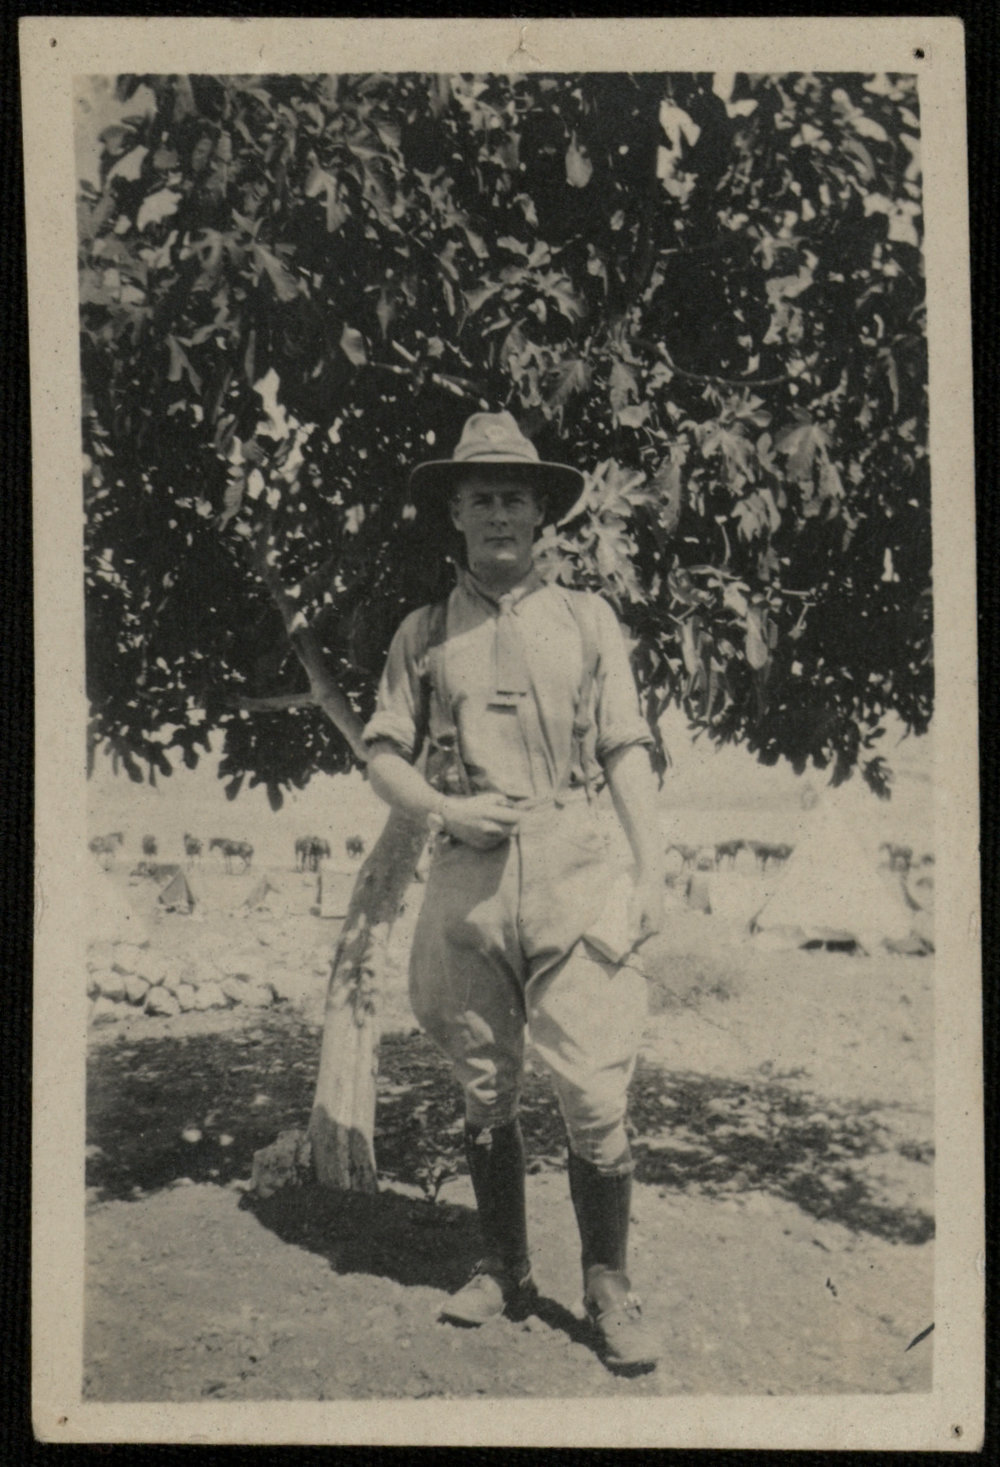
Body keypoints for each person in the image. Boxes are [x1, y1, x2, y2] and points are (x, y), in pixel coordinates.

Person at [363, 411, 664, 1371]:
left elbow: (625, 743)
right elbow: (381, 753)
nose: (499, 513)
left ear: (543, 514)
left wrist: (650, 863)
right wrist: (445, 812)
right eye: (481, 496)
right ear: (455, 512)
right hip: (468, 876)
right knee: (484, 1081)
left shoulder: (588, 619)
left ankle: (609, 1287)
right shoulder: (421, 633)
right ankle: (502, 1265)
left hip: (575, 866)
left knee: (591, 1086)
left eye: (515, 497)